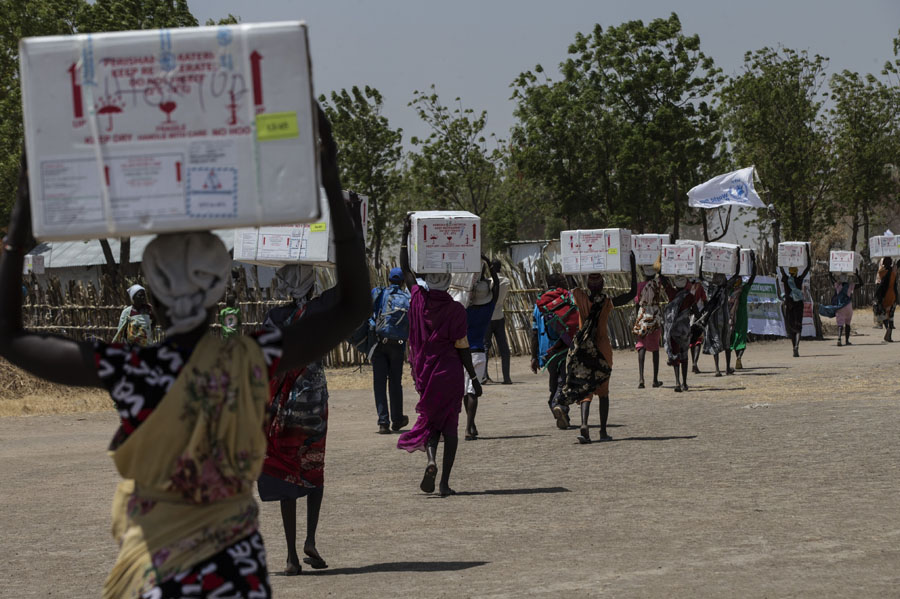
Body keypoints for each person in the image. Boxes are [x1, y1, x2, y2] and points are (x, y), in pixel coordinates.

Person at [0, 108, 371, 596]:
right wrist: (329, 183)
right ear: (221, 296)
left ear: (148, 301)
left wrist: (20, 231)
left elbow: (9, 335)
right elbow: (354, 305)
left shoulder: (132, 370)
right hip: (234, 581)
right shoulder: (249, 361)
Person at [257, 264, 335, 575]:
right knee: (314, 466)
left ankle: (291, 556)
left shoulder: (274, 318)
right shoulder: (321, 310)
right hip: (314, 402)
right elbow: (350, 289)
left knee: (287, 472)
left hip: (283, 405)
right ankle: (311, 540)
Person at [396, 215, 482, 497]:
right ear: (448, 279)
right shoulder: (457, 310)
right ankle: (444, 483)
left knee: (431, 422)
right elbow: (463, 347)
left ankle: (430, 460)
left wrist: (404, 235)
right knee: (451, 427)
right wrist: (473, 376)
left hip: (426, 372)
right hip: (451, 373)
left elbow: (406, 270)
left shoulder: (418, 300)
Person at [561, 253, 637, 444]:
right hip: (602, 350)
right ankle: (603, 431)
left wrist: (570, 258)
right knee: (603, 391)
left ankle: (585, 425)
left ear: (588, 286)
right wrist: (633, 267)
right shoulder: (607, 302)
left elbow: (569, 278)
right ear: (602, 285)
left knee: (585, 389)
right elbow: (631, 294)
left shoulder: (579, 297)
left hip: (583, 350)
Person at [531, 273, 578, 429]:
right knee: (563, 381)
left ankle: (559, 410)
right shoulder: (566, 298)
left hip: (545, 349)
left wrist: (533, 357)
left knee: (554, 379)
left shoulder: (539, 304)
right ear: (559, 283)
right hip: (563, 345)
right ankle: (559, 405)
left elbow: (534, 332)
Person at [462, 258, 501, 440]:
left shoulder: (464, 309)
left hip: (461, 352)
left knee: (465, 390)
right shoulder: (488, 309)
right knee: (472, 391)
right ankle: (469, 427)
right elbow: (497, 288)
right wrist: (491, 269)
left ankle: (471, 424)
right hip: (478, 352)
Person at [370, 267, 411, 434]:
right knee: (395, 383)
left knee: (379, 384)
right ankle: (398, 419)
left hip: (379, 343)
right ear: (402, 282)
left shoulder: (379, 293)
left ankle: (383, 422)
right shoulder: (407, 297)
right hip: (398, 344)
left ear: (388, 279)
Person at [700, 258, 742, 376]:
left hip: (713, 319)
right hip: (723, 318)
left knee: (716, 342)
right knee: (726, 343)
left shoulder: (709, 286)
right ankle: (727, 368)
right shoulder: (725, 287)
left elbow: (700, 276)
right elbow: (736, 275)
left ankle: (718, 369)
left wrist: (702, 260)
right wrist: (737, 259)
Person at [663, 275, 702, 392]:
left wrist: (661, 272)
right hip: (685, 330)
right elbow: (697, 313)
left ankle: (677, 382)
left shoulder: (672, 294)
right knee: (684, 355)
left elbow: (665, 282)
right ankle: (685, 383)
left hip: (673, 330)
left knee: (675, 355)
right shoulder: (689, 296)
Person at [633, 264, 665, 389]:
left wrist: (638, 317)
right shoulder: (657, 284)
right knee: (655, 348)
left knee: (641, 346)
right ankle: (655, 380)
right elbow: (662, 276)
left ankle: (641, 378)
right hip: (655, 316)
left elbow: (637, 302)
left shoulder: (640, 285)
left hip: (643, 314)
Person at [779, 244, 811, 357]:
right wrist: (807, 251)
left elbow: (780, 267)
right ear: (796, 272)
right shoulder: (799, 279)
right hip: (798, 305)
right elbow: (808, 267)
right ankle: (797, 346)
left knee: (791, 327)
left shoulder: (786, 279)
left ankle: (793, 347)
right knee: (798, 326)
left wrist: (781, 254)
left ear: (789, 272)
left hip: (789, 304)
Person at [484, 258, 512, 384]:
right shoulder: (506, 281)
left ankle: (484, 376)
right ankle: (507, 377)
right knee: (504, 348)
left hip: (488, 317)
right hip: (499, 315)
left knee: (485, 347)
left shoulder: (488, 282)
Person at [730, 251, 757, 368]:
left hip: (731, 317)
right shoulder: (744, 289)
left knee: (733, 336)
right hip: (741, 315)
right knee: (741, 336)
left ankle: (735, 358)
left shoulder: (730, 290)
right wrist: (753, 260)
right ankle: (739, 357)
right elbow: (753, 276)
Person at [820, 269, 860, 347]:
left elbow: (832, 280)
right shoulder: (850, 285)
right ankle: (847, 341)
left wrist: (830, 273)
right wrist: (857, 275)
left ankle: (839, 338)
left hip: (840, 307)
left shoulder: (838, 285)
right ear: (847, 278)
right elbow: (861, 284)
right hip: (848, 307)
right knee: (848, 324)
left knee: (840, 324)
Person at [874, 256, 898, 342]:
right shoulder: (894, 271)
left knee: (883, 315)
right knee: (891, 315)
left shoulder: (881, 272)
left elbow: (880, 285)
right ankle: (889, 335)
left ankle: (887, 328)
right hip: (893, 295)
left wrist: (877, 297)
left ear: (883, 263)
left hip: (885, 296)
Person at [689, 279, 707, 374]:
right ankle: (695, 363)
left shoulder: (685, 286)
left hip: (687, 316)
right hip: (698, 316)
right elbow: (704, 299)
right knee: (698, 340)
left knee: (691, 341)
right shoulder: (699, 287)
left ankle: (693, 363)